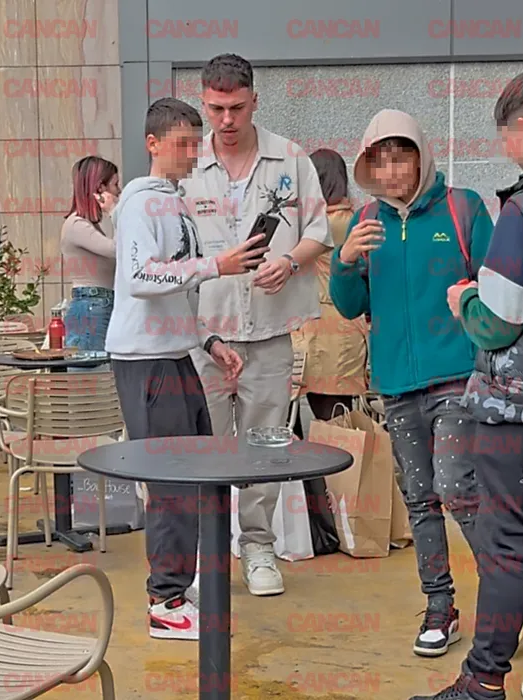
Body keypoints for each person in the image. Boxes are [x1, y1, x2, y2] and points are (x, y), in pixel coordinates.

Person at [104, 97, 270, 640]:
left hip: (176, 354)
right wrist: (216, 265)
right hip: (146, 360)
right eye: (182, 143)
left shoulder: (174, 202)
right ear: (152, 144)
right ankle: (166, 601)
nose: (192, 152)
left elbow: (175, 288)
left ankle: (177, 585)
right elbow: (139, 278)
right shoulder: (140, 204)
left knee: (195, 470)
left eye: (196, 142)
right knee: (172, 479)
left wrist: (209, 340)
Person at [329, 109, 494, 657]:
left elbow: (497, 287)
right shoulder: (364, 223)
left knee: (457, 488)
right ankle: (440, 607)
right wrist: (344, 261)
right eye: (380, 161)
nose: (392, 171)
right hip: (396, 385)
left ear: (422, 158)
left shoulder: (462, 208)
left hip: (457, 380)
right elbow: (350, 304)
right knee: (421, 499)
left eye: (402, 158)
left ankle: (505, 595)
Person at [182, 53, 332, 596]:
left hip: (269, 329)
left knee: (265, 445)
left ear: (254, 102)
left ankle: (258, 546)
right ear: (204, 103)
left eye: (237, 108)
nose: (227, 120)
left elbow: (319, 230)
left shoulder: (289, 158)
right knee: (205, 448)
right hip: (204, 333)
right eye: (216, 109)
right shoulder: (186, 164)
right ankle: (206, 553)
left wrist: (290, 261)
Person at [410, 73, 523, 700]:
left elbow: (499, 321)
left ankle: (482, 681)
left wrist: (466, 299)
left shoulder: (513, 210)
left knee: (506, 546)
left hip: (512, 408)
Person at [291, 148, 368, 438]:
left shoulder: (325, 223)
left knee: (329, 422)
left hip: (323, 333)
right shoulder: (353, 219)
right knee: (337, 420)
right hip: (346, 330)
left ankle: (323, 474)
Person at [61, 156, 120, 350]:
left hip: (97, 305)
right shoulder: (76, 224)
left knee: (98, 365)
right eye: (115, 184)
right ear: (100, 188)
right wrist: (115, 212)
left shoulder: (87, 225)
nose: (118, 191)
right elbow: (117, 249)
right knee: (89, 366)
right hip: (91, 307)